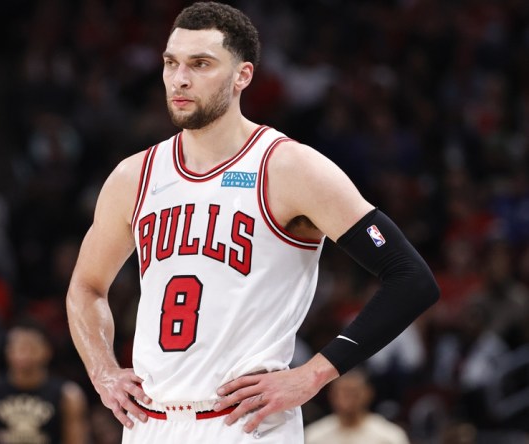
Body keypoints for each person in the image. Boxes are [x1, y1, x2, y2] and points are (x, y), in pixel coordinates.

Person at [65, 2, 440, 443]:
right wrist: (103, 371)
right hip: (151, 424)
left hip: (246, 424)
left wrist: (314, 375)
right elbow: (86, 287)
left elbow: (411, 278)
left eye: (201, 64)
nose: (180, 79)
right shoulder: (134, 176)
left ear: (242, 75)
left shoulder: (290, 167)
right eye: (171, 63)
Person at [0, 319, 89, 444]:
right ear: (7, 351)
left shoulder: (68, 394)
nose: (23, 352)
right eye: (18, 346)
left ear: (47, 351)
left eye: (30, 346)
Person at [304, 369, 410, 444]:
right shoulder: (313, 436)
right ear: (331, 395)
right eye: (341, 392)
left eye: (353, 392)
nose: (346, 398)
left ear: (368, 393)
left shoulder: (389, 435)